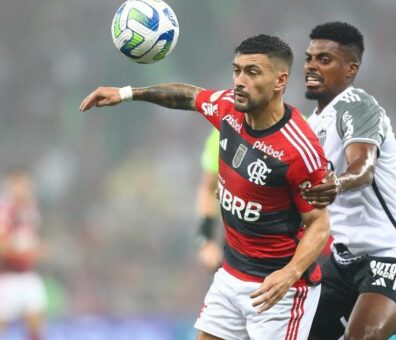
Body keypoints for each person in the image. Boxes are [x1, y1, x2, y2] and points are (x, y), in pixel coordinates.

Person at [80, 34, 330, 340]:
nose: (240, 80)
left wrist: (289, 274)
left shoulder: (299, 150)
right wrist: (128, 93)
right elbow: (189, 96)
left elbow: (319, 224)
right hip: (231, 275)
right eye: (236, 70)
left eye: (252, 72)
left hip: (278, 290)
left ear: (280, 81)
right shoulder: (228, 109)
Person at [301, 22, 396, 339]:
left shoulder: (357, 105)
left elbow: (363, 167)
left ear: (351, 69)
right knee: (291, 331)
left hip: (393, 256)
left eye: (324, 59)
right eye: (309, 58)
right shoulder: (310, 124)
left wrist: (337, 183)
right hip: (344, 261)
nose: (311, 66)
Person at [0, 168, 47, 340]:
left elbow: (32, 238)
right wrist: (19, 250)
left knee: (36, 328)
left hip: (28, 275)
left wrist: (37, 249)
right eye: (18, 184)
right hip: (7, 278)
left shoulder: (31, 209)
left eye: (26, 184)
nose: (23, 188)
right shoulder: (5, 210)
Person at [196, 128, 223, 271]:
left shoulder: (301, 128)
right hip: (237, 250)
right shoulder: (224, 129)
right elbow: (209, 188)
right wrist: (206, 240)